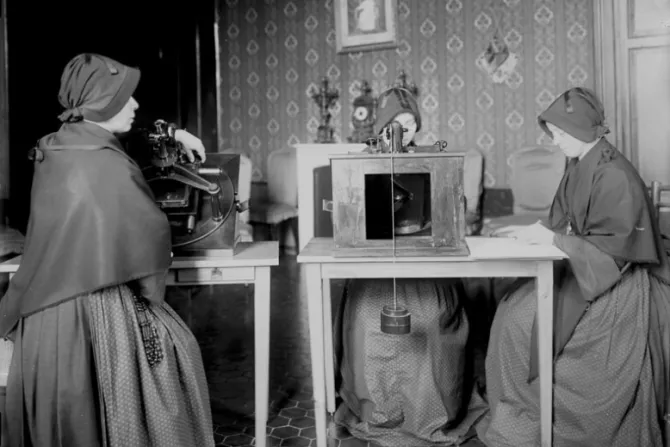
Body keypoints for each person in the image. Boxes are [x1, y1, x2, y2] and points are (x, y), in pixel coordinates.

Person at [0, 53, 215, 447]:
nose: (134, 105)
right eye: (123, 97)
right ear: (100, 102)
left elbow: (115, 137)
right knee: (178, 350)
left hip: (43, 317)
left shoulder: (56, 147)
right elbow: (149, 238)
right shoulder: (108, 165)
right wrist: (152, 297)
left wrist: (172, 133)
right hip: (93, 311)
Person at [478, 87, 670, 446]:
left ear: (585, 129)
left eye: (563, 133)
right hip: (585, 268)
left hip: (614, 283)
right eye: (553, 132)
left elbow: (615, 252)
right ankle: (521, 413)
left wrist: (552, 241)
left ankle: (543, 419)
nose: (556, 140)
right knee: (511, 308)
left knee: (521, 321)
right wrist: (532, 233)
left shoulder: (614, 173)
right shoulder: (580, 163)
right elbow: (563, 222)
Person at [332, 87, 488, 446]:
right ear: (382, 127)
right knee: (370, 321)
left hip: (425, 268)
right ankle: (378, 409)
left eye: (411, 123)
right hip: (376, 272)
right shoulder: (364, 162)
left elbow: (451, 215)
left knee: (432, 318)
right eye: (397, 123)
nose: (406, 130)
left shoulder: (430, 161)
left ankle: (433, 410)